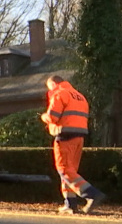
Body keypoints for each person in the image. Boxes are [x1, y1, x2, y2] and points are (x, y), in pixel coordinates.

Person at [41, 75, 106, 214]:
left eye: (49, 88)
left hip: (65, 135)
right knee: (70, 171)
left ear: (53, 84)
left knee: (64, 169)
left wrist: (43, 117)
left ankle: (91, 194)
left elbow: (52, 117)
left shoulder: (59, 94)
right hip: (79, 137)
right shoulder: (79, 96)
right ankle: (70, 204)